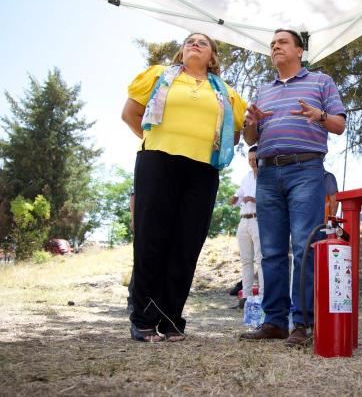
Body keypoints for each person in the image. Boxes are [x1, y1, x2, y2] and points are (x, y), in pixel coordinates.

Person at [121, 33, 246, 342]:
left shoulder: (226, 92)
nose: (194, 44)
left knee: (187, 243)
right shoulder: (157, 76)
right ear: (181, 50)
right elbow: (130, 114)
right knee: (151, 238)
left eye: (202, 43)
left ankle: (171, 317)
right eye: (190, 41)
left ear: (212, 56)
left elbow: (235, 135)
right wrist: (156, 143)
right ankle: (144, 318)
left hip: (203, 169)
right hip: (158, 161)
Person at [240, 28, 346, 346]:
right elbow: (250, 139)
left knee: (303, 246)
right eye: (272, 44)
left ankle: (302, 322)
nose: (275, 47)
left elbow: (339, 125)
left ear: (300, 51)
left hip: (306, 170)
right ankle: (274, 322)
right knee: (270, 252)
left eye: (282, 42)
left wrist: (320, 115)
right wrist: (251, 125)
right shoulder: (262, 90)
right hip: (268, 174)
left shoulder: (321, 82)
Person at [229, 145, 262, 309]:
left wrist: (252, 199)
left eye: (254, 159)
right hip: (244, 219)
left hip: (258, 219)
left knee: (260, 259)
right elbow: (237, 196)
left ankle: (262, 296)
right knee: (245, 260)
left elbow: (270, 201)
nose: (252, 162)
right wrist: (234, 199)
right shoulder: (246, 177)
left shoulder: (265, 177)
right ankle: (246, 296)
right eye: (249, 159)